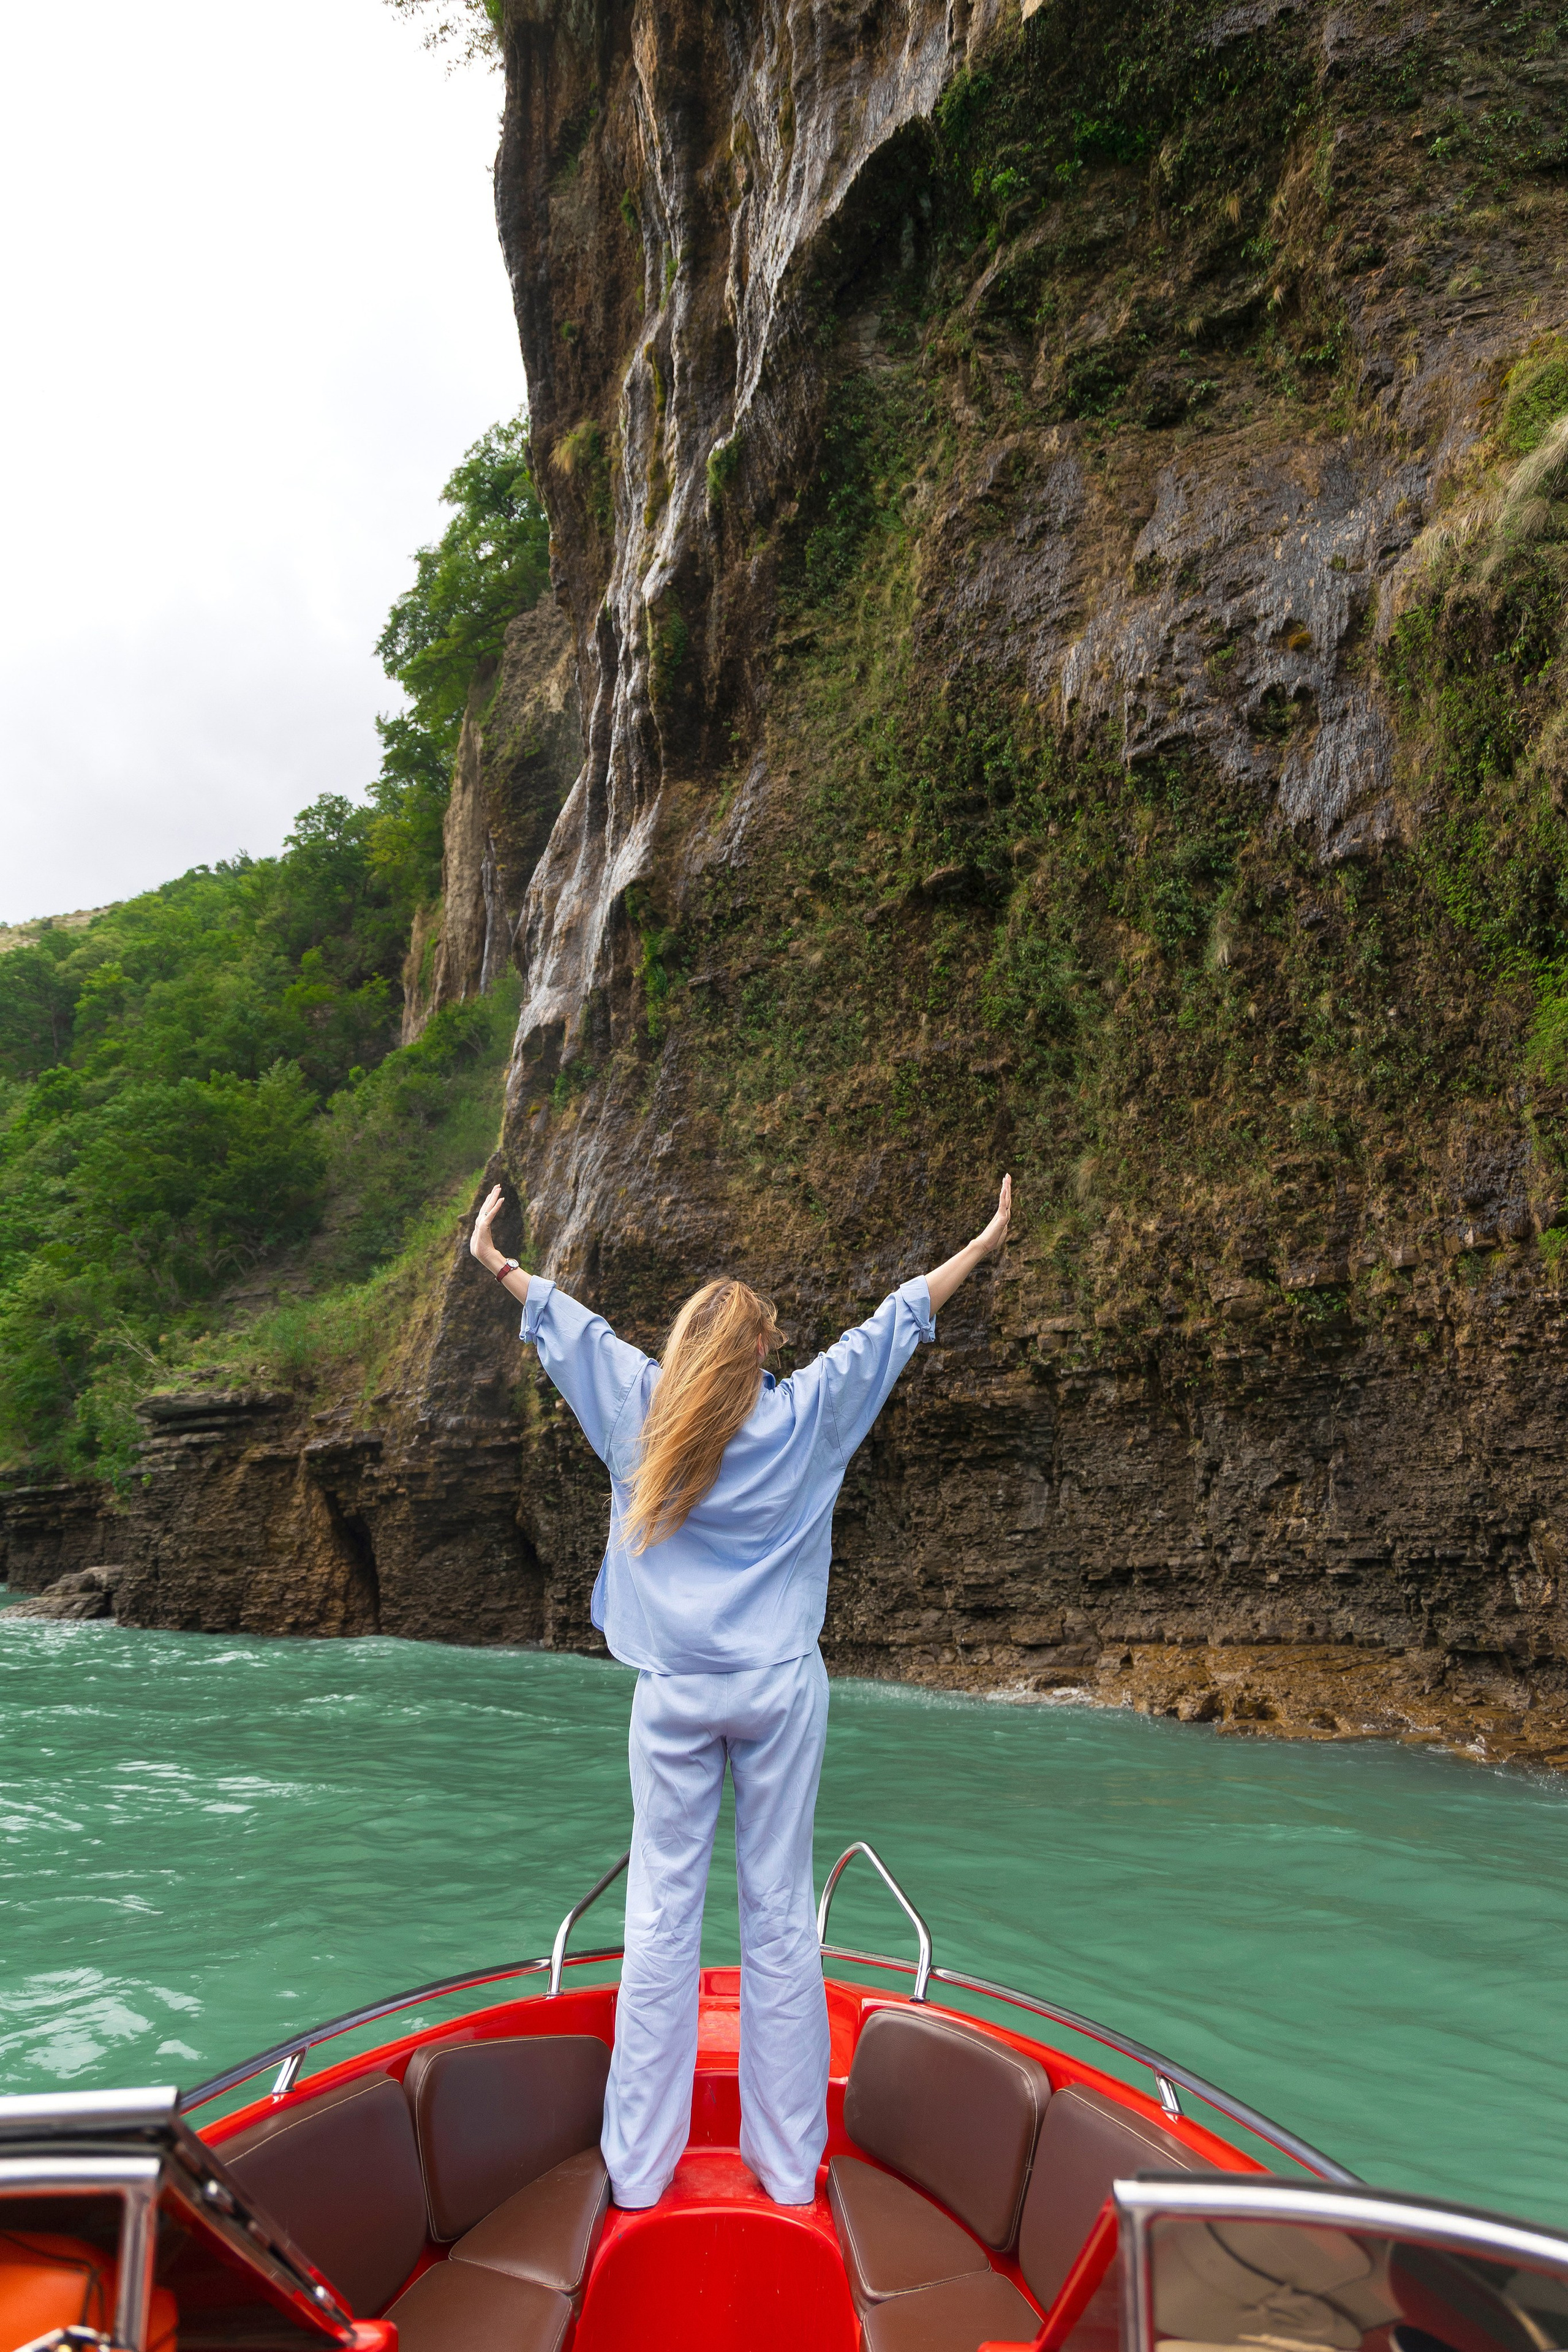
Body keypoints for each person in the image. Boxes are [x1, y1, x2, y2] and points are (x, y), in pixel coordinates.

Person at [467, 1173, 1012, 2214]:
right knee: (779, 1917)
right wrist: (982, 1244)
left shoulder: (639, 1407)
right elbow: (895, 1323)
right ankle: (789, 2166)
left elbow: (565, 1325)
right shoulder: (806, 1416)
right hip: (778, 1694)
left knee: (660, 1919)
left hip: (673, 1693)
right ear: (762, 1350)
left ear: (686, 1347)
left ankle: (638, 2173)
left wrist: (494, 1261)